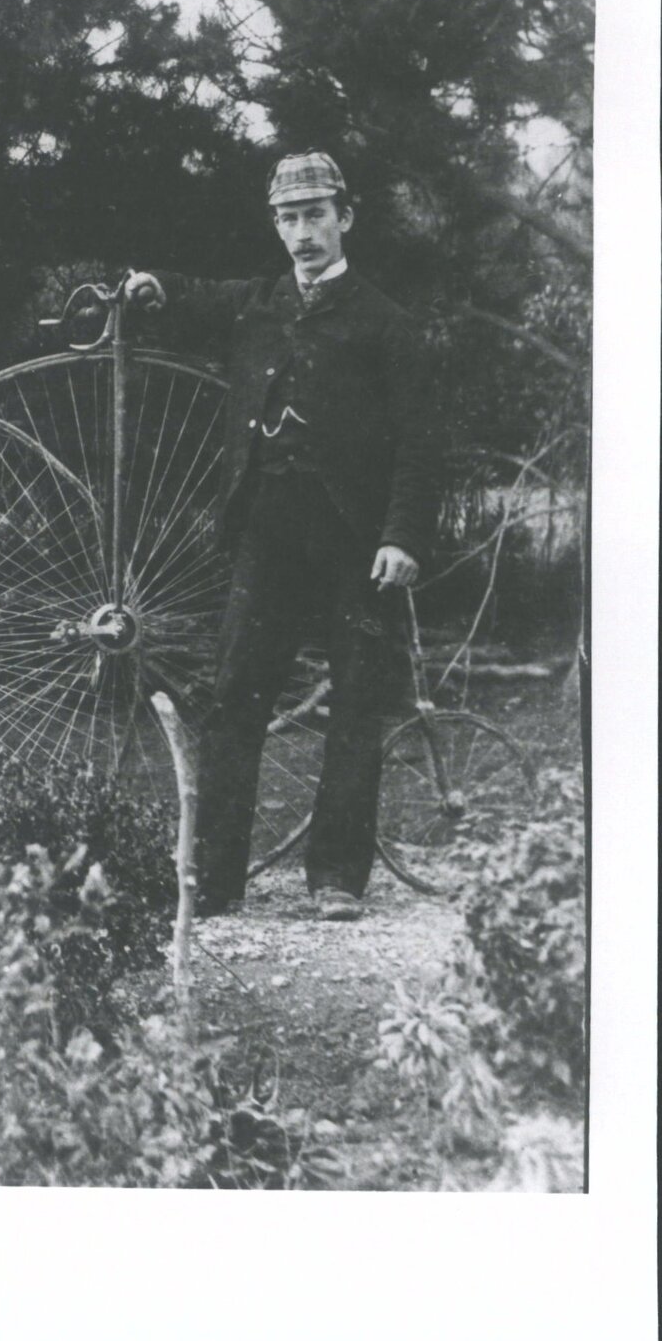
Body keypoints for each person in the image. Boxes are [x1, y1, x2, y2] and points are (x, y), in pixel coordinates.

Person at [123, 151, 443, 921]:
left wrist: (400, 535)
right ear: (275, 225)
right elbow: (195, 297)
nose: (302, 234)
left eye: (314, 216)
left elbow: (420, 444)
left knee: (355, 703)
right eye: (287, 219)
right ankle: (214, 877)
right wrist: (153, 285)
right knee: (234, 697)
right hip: (265, 532)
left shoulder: (385, 325)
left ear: (345, 218)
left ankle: (334, 877)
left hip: (352, 541)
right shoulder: (257, 304)